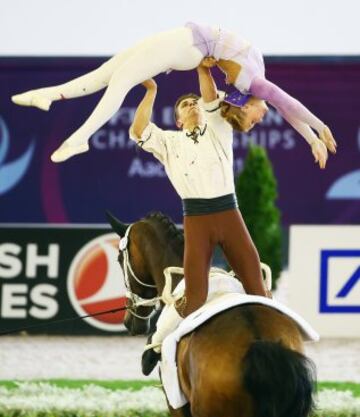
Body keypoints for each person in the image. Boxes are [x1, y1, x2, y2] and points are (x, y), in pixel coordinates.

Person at [11, 22, 336, 165]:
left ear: (242, 105)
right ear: (246, 105)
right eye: (257, 117)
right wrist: (317, 132)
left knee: (120, 81)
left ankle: (80, 138)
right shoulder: (257, 85)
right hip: (183, 41)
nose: (262, 116)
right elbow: (289, 105)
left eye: (254, 120)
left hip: (185, 47)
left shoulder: (252, 87)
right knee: (107, 74)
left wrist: (313, 137)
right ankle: (49, 95)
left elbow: (286, 107)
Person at [131, 61, 269, 376]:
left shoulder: (218, 127)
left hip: (229, 213)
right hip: (196, 220)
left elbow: (209, 100)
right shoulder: (168, 143)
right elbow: (139, 130)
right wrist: (151, 90)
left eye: (194, 102)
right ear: (177, 120)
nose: (192, 104)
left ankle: (278, 346)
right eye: (184, 104)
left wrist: (203, 70)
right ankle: (156, 343)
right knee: (193, 298)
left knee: (256, 287)